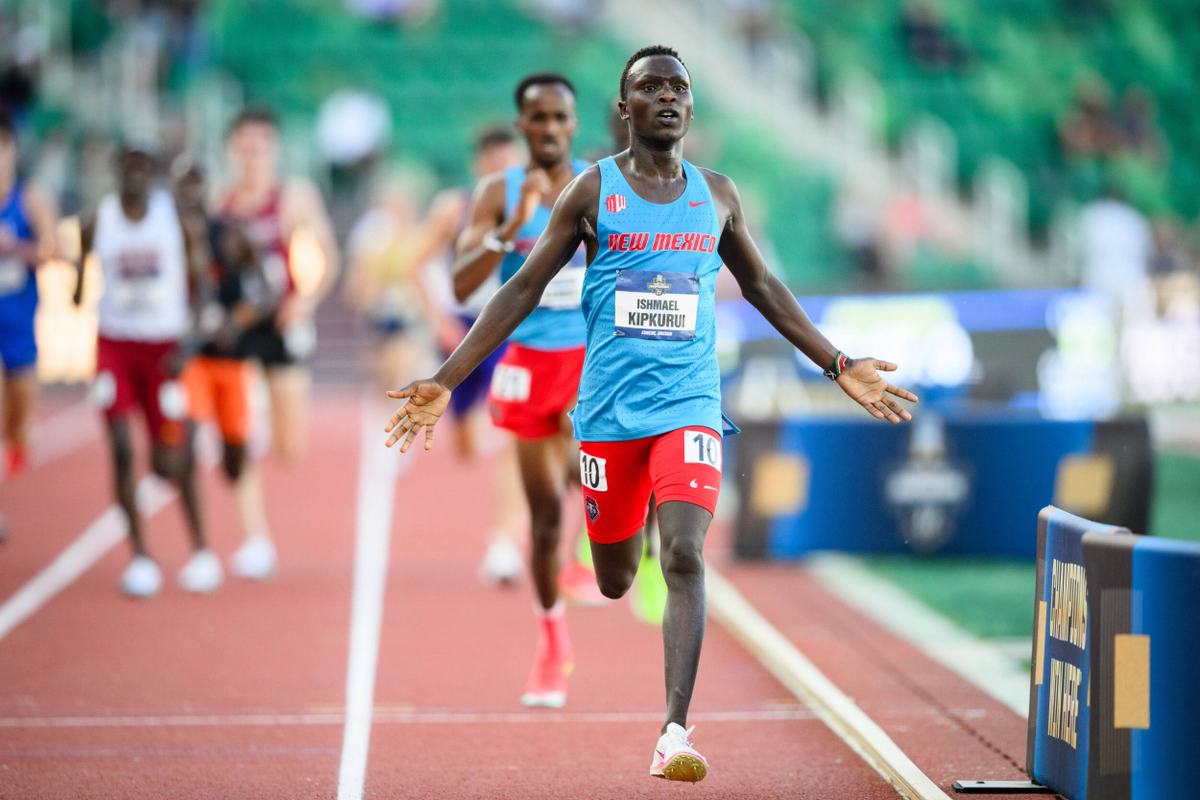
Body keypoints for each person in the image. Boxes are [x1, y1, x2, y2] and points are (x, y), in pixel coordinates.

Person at [383, 45, 918, 782]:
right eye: (649, 87)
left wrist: (835, 363)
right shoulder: (590, 191)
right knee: (613, 579)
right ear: (624, 108)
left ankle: (674, 730)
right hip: (606, 417)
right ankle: (614, 549)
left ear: (691, 107)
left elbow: (762, 286)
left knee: (686, 555)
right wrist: (448, 378)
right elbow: (521, 289)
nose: (666, 97)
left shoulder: (718, 195)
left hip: (690, 407)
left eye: (678, 88)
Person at [449, 73, 594, 707]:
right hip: (529, 358)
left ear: (573, 124)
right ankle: (550, 642)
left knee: (590, 477)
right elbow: (460, 285)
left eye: (560, 117)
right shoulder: (496, 191)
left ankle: (610, 541)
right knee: (541, 519)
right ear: (522, 127)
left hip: (591, 356)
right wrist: (512, 226)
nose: (550, 129)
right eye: (538, 118)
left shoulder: (602, 185)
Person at [76, 142, 219, 597]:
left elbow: (202, 287)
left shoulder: (173, 218)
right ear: (117, 168)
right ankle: (140, 557)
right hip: (115, 346)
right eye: (129, 164)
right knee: (119, 446)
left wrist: (190, 341)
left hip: (164, 350)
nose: (137, 173)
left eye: (145, 165)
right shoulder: (97, 221)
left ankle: (201, 550)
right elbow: (79, 284)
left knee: (171, 460)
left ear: (153, 172)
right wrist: (77, 285)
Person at [419, 126, 528, 586]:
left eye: (511, 162)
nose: (503, 170)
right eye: (495, 162)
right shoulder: (454, 208)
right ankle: (476, 429)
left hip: (511, 330)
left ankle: (505, 543)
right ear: (478, 166)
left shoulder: (537, 207)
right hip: (463, 331)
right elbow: (415, 264)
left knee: (510, 437)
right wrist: (439, 321)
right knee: (465, 447)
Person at [174, 162, 279, 579]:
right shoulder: (167, 239)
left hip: (232, 361)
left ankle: (252, 535)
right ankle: (201, 551)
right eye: (183, 190)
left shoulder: (231, 233)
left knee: (235, 456)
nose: (191, 198)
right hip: (191, 361)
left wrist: (236, 321)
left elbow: (268, 290)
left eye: (197, 188)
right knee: (186, 442)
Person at [220, 106, 340, 466]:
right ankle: (253, 521)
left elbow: (330, 260)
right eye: (245, 147)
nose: (252, 156)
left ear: (274, 150)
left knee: (289, 448)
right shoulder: (220, 203)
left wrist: (304, 302)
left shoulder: (294, 197)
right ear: (232, 149)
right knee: (237, 442)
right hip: (235, 324)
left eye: (260, 147)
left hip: (280, 320)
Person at [0, 110, 57, 544]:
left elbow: (53, 251)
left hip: (20, 326)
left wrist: (14, 248)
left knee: (18, 417)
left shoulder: (30, 197)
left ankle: (18, 440)